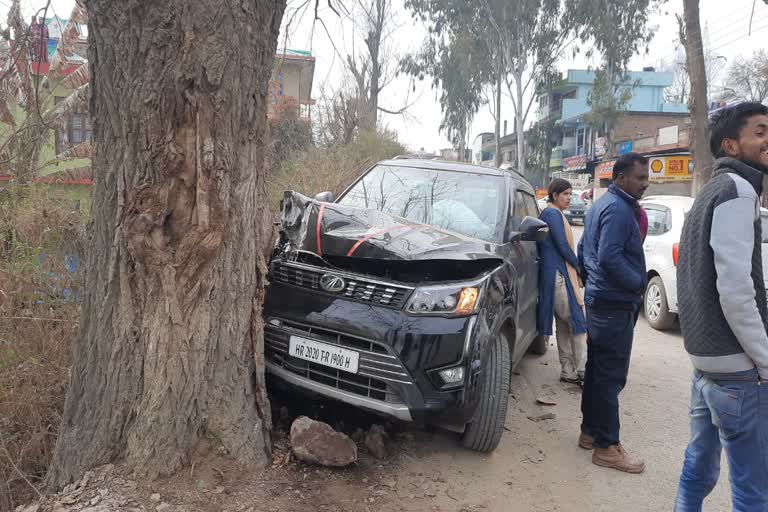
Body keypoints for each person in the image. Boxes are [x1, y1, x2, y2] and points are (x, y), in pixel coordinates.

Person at [674, 102, 768, 511]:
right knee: (753, 489)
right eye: (761, 132)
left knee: (699, 464)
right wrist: (765, 360)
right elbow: (734, 288)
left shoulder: (710, 192)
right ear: (731, 144)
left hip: (706, 362)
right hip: (737, 372)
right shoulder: (738, 191)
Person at [577, 152, 649, 473]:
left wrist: (590, 280)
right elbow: (609, 257)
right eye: (640, 178)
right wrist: (637, 284)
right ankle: (608, 446)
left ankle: (590, 432)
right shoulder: (620, 210)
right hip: (614, 303)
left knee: (597, 370)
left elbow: (584, 252)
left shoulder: (599, 206)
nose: (645, 184)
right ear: (621, 178)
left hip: (599, 299)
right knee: (610, 377)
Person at [536, 178, 587, 384]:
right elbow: (563, 246)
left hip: (556, 275)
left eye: (570, 193)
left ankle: (568, 371)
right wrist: (578, 267)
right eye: (565, 194)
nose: (568, 198)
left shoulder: (554, 213)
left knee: (564, 325)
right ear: (555, 195)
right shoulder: (552, 214)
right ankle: (583, 370)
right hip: (558, 275)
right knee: (576, 321)